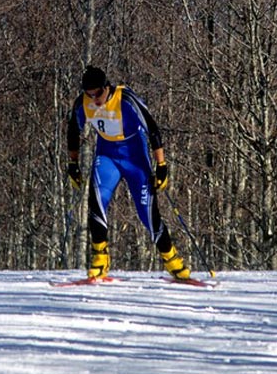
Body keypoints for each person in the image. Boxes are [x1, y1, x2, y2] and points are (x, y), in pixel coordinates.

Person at [66, 65, 190, 280]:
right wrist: (73, 165)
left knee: (147, 212)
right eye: (89, 94)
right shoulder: (82, 103)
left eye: (97, 93)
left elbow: (153, 129)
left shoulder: (126, 99)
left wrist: (161, 166)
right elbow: (73, 131)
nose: (94, 99)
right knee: (96, 200)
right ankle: (99, 259)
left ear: (107, 87)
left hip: (135, 158)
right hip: (107, 157)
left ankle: (172, 260)